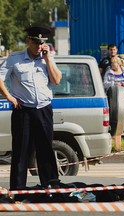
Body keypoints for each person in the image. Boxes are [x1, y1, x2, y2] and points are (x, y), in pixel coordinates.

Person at [0, 25, 62, 191]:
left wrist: (48, 59)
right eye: (35, 43)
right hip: (23, 110)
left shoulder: (47, 58)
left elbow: (56, 80)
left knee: (46, 149)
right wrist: (9, 97)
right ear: (28, 41)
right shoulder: (15, 58)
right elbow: (0, 77)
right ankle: (18, 188)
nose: (38, 47)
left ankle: (50, 185)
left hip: (43, 109)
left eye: (41, 43)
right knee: (21, 150)